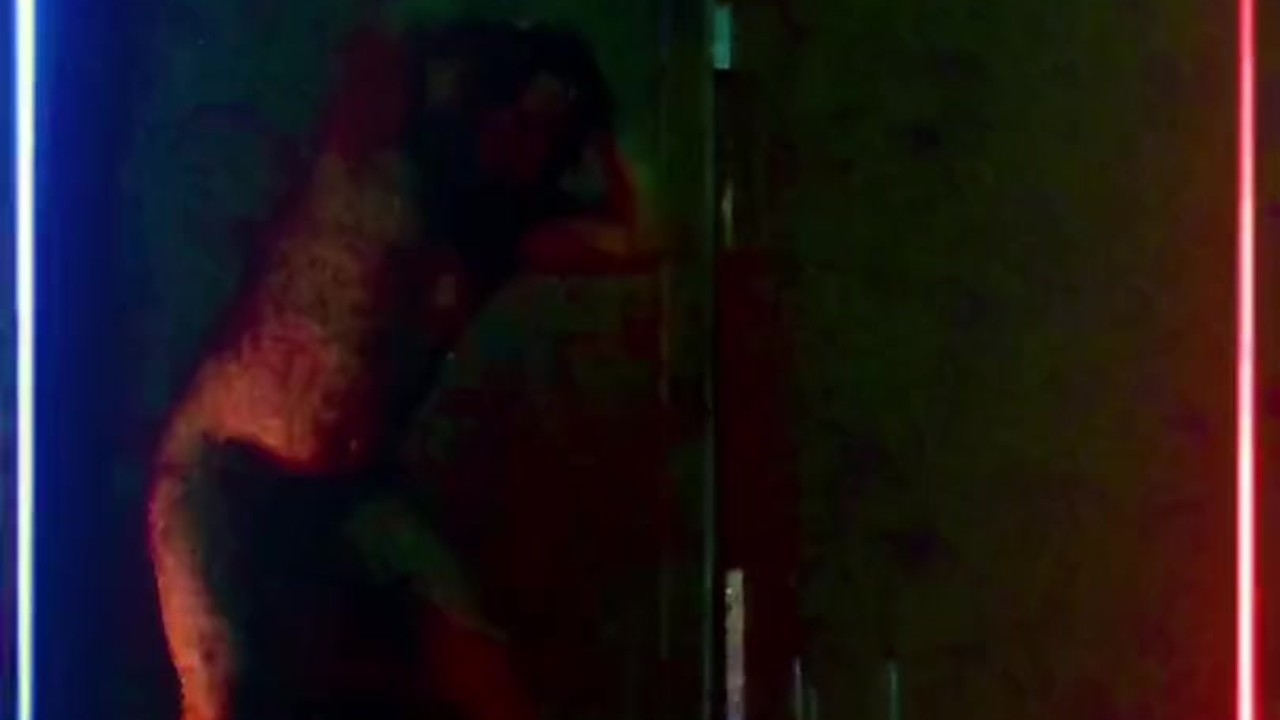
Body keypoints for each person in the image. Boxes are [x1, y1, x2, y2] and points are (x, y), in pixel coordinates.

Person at [146, 19, 644, 720]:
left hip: (352, 492)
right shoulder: (373, 149)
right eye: (520, 114)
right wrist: (487, 57)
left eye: (551, 133)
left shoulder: (501, 236)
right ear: (484, 102)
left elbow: (646, 233)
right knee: (218, 683)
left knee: (487, 677)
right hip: (227, 462)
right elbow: (383, 38)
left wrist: (603, 120)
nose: (527, 138)